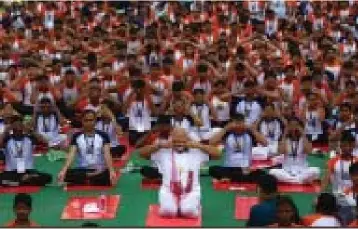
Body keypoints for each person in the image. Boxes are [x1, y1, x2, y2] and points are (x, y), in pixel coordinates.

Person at [138, 127, 221, 218]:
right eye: (176, 141)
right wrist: (159, 145)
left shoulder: (196, 151)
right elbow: (141, 153)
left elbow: (218, 155)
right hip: (168, 190)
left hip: (191, 191)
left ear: (187, 139)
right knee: (168, 212)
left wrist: (199, 145)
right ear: (171, 139)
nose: (179, 144)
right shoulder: (163, 151)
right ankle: (173, 205)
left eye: (182, 141)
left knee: (187, 211)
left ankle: (191, 204)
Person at [57, 109, 117, 186]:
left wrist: (111, 171)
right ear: (82, 121)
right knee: (67, 174)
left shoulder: (103, 135)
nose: (89, 123)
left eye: (91, 120)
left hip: (99, 169)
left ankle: (85, 180)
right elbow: (71, 155)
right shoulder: (76, 136)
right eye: (86, 120)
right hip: (82, 170)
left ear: (95, 121)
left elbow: (107, 154)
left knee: (107, 175)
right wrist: (63, 170)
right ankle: (90, 178)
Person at [209, 113, 268, 183]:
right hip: (229, 168)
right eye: (236, 124)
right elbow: (212, 142)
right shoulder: (227, 133)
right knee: (212, 169)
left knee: (262, 173)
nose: (238, 127)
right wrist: (225, 128)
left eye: (240, 124)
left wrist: (251, 129)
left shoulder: (249, 133)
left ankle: (230, 179)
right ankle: (237, 178)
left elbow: (265, 143)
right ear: (232, 124)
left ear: (244, 123)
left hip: (246, 168)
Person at [0, 115, 52, 187]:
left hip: (28, 171)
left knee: (48, 177)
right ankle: (23, 181)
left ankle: (20, 181)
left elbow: (45, 142)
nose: (18, 126)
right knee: (1, 179)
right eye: (15, 125)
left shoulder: (29, 138)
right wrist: (6, 131)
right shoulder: (7, 139)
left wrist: (30, 130)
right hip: (11, 172)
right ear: (12, 127)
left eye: (20, 125)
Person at [269, 117, 320, 184]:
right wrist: (284, 134)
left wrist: (303, 134)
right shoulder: (283, 138)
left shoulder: (306, 137)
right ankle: (298, 180)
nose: (293, 128)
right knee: (272, 172)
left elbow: (308, 151)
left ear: (300, 127)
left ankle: (292, 180)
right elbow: (280, 151)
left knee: (316, 170)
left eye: (296, 125)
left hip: (303, 169)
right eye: (291, 125)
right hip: (287, 170)